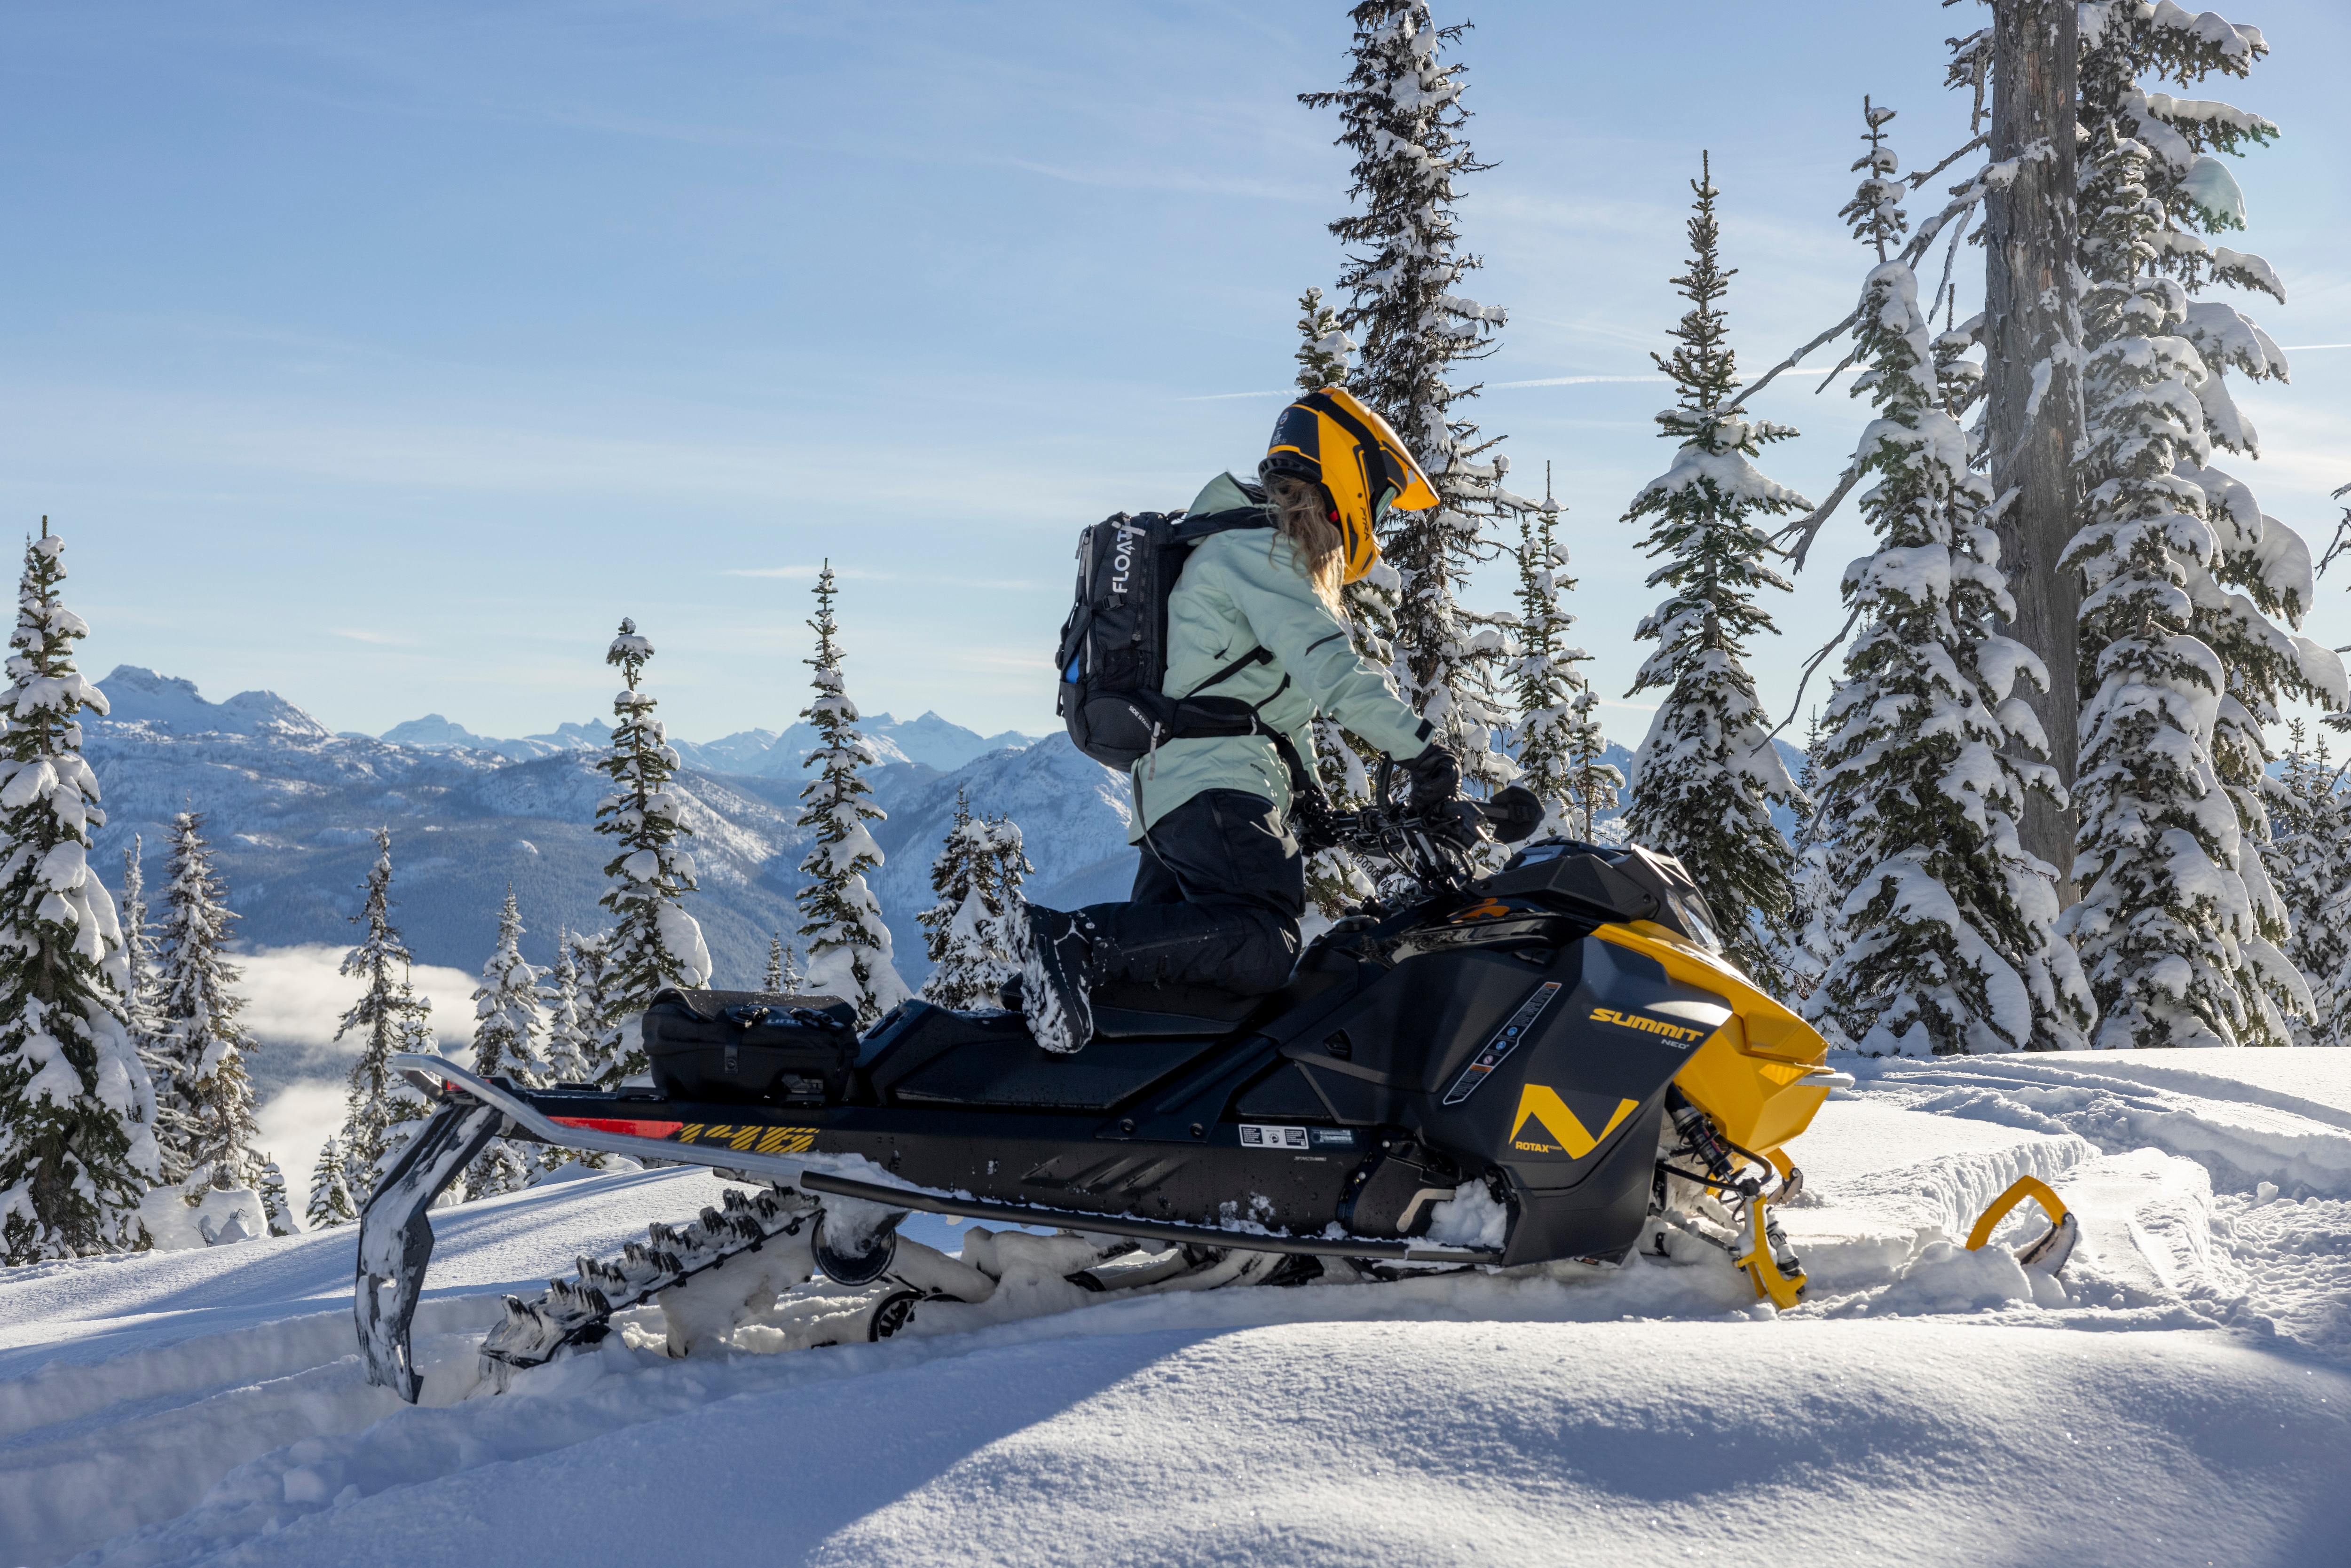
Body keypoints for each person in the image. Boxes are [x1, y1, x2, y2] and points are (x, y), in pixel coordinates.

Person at [1004, 386, 1478, 1055]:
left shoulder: (1236, 548)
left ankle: (1053, 988)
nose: (1381, 515)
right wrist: (1426, 754)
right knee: (1260, 938)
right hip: (1217, 787)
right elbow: (1331, 671)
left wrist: (1311, 801)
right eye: (1383, 496)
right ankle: (1072, 940)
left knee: (1173, 994)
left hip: (1182, 789)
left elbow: (1271, 710)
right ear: (1349, 476)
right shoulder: (1265, 550)